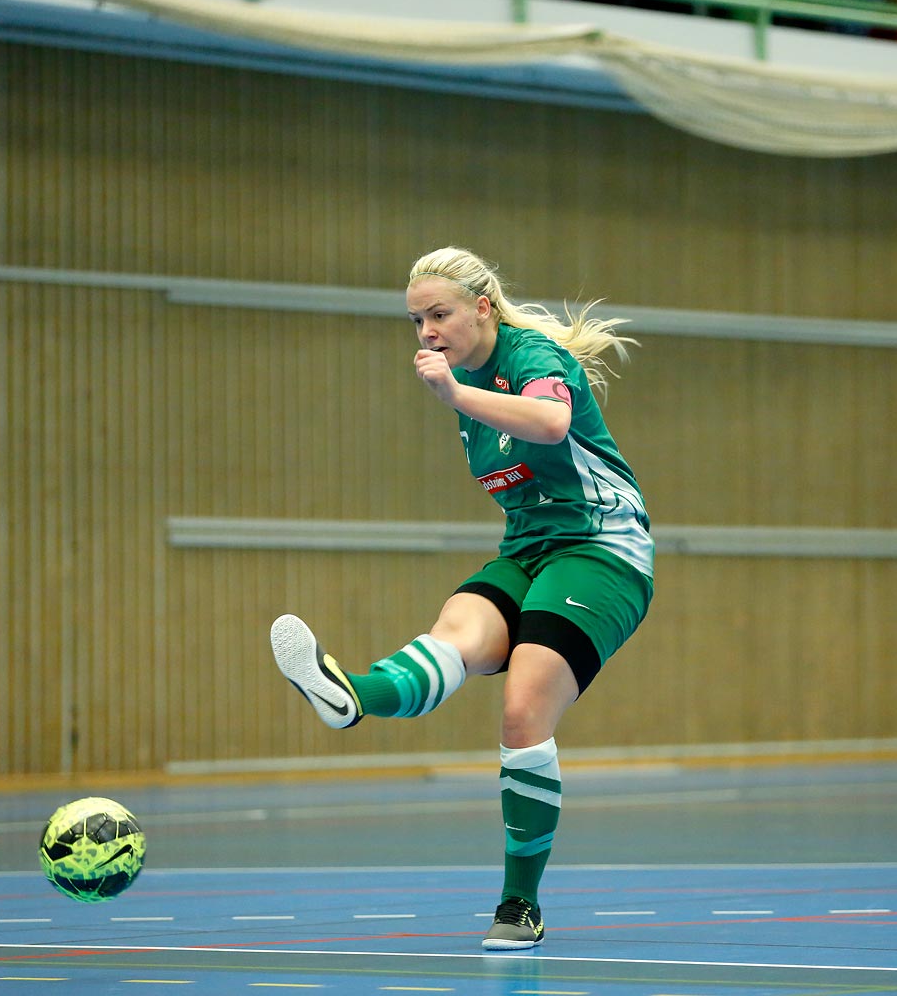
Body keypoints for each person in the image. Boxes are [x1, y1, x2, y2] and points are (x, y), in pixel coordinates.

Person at [270, 246, 654, 951]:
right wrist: (459, 394)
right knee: (458, 634)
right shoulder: (467, 387)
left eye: (438, 314)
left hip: (602, 549)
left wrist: (454, 394)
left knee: (522, 707)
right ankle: (352, 695)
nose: (426, 332)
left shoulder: (531, 358)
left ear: (482, 306)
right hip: (528, 549)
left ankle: (519, 905)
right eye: (416, 320)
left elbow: (550, 425)